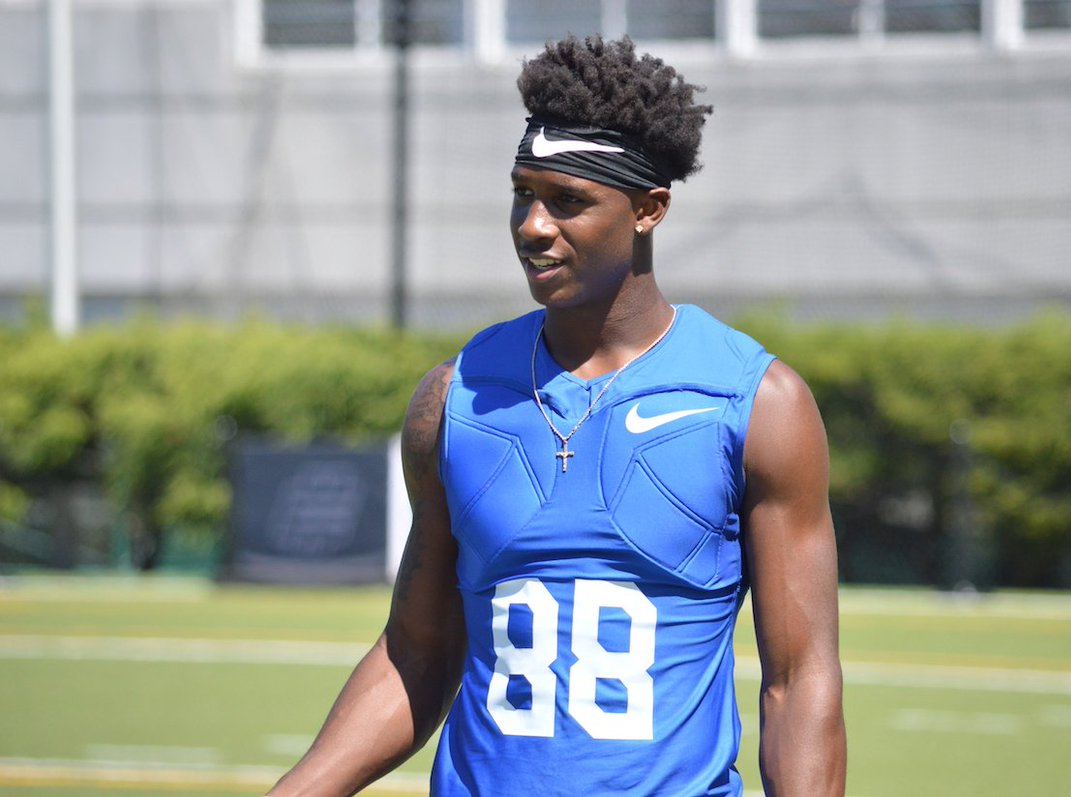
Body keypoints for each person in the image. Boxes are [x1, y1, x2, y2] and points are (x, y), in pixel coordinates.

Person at [268, 34, 845, 797]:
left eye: (568, 201)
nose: (532, 225)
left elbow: (799, 680)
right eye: (522, 193)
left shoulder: (754, 402)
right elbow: (416, 651)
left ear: (648, 209)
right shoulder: (455, 398)